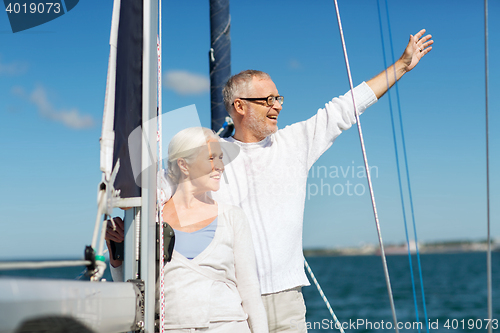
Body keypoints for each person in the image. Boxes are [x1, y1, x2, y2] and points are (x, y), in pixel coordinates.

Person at [212, 29, 433, 332]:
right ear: (240, 106)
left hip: (287, 302)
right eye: (268, 100)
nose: (277, 105)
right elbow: (167, 196)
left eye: (278, 98)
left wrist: (402, 66)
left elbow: (345, 108)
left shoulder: (294, 142)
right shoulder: (212, 156)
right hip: (231, 302)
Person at [106, 127, 268, 333]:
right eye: (211, 158)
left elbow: (251, 293)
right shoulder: (149, 219)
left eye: (220, 158)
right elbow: (131, 288)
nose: (220, 166)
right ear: (183, 164)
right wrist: (116, 254)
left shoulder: (233, 217)